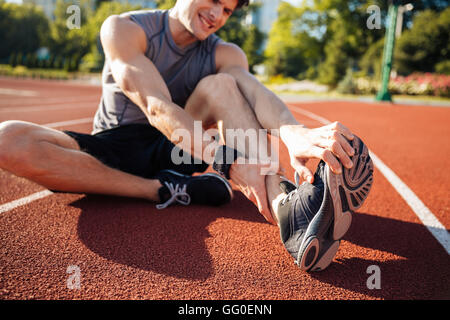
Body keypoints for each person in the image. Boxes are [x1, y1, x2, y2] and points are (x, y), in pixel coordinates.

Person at [0, 0, 373, 271]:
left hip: (178, 147)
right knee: (9, 140)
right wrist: (225, 162)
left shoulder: (223, 52)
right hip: (116, 144)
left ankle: (286, 210)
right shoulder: (125, 29)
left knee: (224, 85)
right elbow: (157, 107)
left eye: (227, 10)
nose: (217, 16)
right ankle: (165, 189)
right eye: (213, 1)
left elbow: (253, 91)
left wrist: (294, 133)